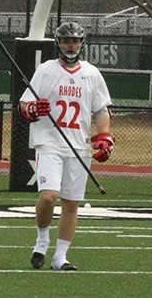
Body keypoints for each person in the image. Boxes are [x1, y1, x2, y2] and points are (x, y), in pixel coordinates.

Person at [19, 21, 114, 271]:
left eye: (75, 41)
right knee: (49, 197)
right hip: (49, 143)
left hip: (78, 146)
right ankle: (41, 241)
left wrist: (104, 135)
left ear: (82, 43)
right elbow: (24, 105)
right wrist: (32, 110)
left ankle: (60, 257)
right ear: (58, 43)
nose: (71, 45)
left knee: (71, 203)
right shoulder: (46, 70)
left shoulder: (91, 73)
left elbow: (101, 110)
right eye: (66, 40)